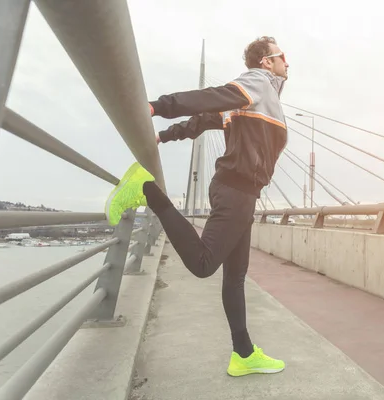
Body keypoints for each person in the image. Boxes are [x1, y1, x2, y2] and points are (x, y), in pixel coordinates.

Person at [105, 36, 289, 377]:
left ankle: (244, 355)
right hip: (236, 189)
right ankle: (147, 189)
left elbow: (204, 119)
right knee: (205, 264)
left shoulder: (262, 99)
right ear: (267, 62)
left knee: (235, 277)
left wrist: (164, 135)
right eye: (282, 57)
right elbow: (213, 97)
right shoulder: (258, 83)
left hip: (243, 193)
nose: (287, 63)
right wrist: (160, 106)